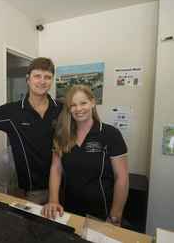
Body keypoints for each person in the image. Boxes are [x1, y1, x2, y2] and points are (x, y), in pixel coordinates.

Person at [0, 57, 62, 204]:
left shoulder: (61, 109)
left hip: (64, 184)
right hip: (33, 192)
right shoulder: (12, 111)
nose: (42, 81)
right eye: (37, 76)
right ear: (28, 79)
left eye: (47, 77)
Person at [41, 85, 129, 226]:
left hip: (101, 212)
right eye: (73, 105)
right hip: (69, 209)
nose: (79, 109)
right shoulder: (62, 135)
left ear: (92, 102)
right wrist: (53, 200)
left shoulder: (110, 134)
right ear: (69, 109)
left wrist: (115, 216)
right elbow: (56, 168)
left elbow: (122, 178)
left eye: (83, 103)